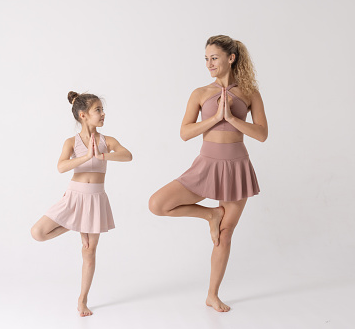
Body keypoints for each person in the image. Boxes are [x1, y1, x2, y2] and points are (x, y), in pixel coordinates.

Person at [148, 35, 268, 312]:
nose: (209, 63)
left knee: (225, 235)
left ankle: (212, 295)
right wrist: (215, 118)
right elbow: (184, 133)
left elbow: (261, 134)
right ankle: (210, 214)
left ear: (231, 58)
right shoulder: (200, 93)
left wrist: (233, 118)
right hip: (206, 165)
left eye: (214, 57)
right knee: (158, 204)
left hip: (237, 166)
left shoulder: (250, 93)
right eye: (206, 59)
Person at [30, 91, 132, 317]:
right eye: (98, 110)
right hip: (74, 196)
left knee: (88, 251)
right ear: (83, 115)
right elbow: (61, 167)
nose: (103, 114)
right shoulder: (71, 142)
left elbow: (127, 155)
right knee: (37, 232)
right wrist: (87, 157)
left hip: (96, 199)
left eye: (102, 110)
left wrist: (102, 156)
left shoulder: (107, 141)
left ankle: (82, 300)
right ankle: (74, 224)